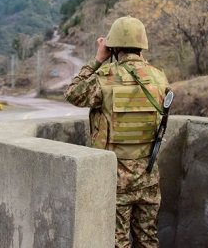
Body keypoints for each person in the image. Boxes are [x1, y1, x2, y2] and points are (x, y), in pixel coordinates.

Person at [64, 16, 168, 248]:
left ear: (114, 46)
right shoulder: (159, 77)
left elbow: (72, 93)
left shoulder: (104, 78)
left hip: (114, 178)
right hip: (148, 177)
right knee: (148, 239)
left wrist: (98, 59)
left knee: (117, 242)